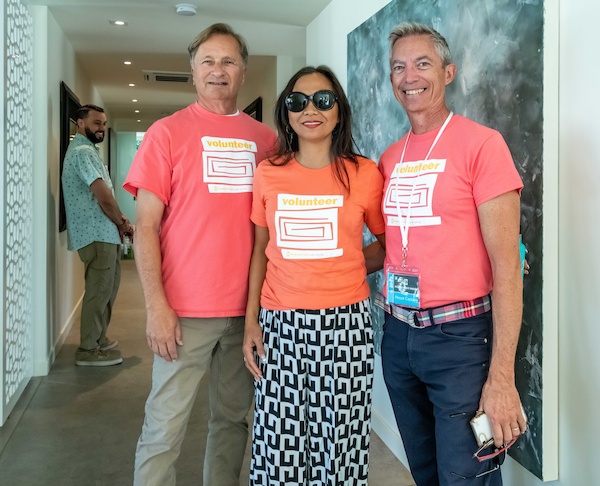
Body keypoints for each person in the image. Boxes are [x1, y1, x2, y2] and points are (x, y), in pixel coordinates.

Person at [123, 23, 277, 486]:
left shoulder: (266, 141)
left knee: (232, 423)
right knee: (164, 427)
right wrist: (156, 307)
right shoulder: (166, 134)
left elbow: (269, 229)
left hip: (249, 312)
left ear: (243, 72)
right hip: (183, 313)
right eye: (208, 61)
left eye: (228, 61)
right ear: (192, 72)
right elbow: (145, 225)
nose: (218, 70)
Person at [376, 23, 526, 485]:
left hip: (460, 340)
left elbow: (507, 268)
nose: (409, 76)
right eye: (399, 67)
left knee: (466, 476)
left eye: (422, 64)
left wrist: (501, 378)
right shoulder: (389, 158)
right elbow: (391, 245)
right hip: (398, 338)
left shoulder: (482, 144)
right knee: (425, 472)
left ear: (448, 72)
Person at [242, 65, 386, 485]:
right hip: (280, 324)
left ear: (339, 110)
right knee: (279, 441)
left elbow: (389, 242)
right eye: (297, 101)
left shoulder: (364, 173)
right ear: (286, 113)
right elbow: (260, 251)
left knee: (339, 443)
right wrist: (251, 322)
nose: (311, 109)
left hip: (345, 325)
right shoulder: (268, 173)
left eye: (323, 100)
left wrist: (348, 264)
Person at [62, 104, 133, 367]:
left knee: (107, 290)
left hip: (104, 233)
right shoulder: (83, 152)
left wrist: (119, 223)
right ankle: (88, 350)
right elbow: (103, 196)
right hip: (96, 234)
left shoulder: (89, 151)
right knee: (98, 291)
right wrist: (123, 223)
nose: (101, 128)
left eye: (103, 123)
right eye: (96, 123)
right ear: (80, 123)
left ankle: (99, 339)